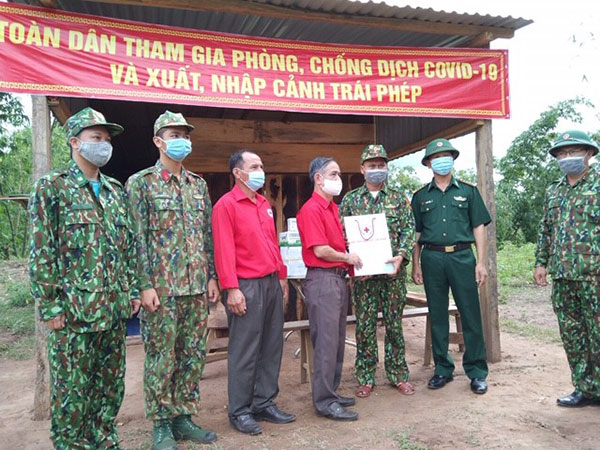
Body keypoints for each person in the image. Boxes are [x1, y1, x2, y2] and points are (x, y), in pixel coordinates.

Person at [29, 107, 140, 449]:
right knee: (72, 396)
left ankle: (106, 441)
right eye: (96, 138)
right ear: (75, 142)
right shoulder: (52, 187)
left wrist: (132, 289)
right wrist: (50, 307)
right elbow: (41, 250)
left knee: (109, 389)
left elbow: (128, 247)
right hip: (73, 316)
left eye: (107, 139)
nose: (104, 145)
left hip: (111, 312)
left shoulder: (114, 190)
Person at [126, 111, 219, 450]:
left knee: (192, 355)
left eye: (185, 133)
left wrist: (211, 276)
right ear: (158, 140)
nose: (182, 139)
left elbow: (205, 235)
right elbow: (136, 240)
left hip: (195, 288)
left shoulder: (198, 185)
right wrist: (144, 284)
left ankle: (183, 417)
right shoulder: (140, 183)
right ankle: (161, 424)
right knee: (161, 357)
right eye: (174, 133)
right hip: (161, 291)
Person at [212, 150, 295, 436]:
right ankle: (240, 410)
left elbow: (273, 243)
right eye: (254, 166)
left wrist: (282, 277)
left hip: (271, 282)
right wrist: (231, 288)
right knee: (245, 350)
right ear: (237, 172)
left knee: (272, 345)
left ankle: (264, 402)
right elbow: (223, 250)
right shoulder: (226, 205)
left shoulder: (263, 203)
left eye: (262, 165)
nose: (261, 170)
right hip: (245, 285)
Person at [411, 138, 490, 395]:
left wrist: (481, 262)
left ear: (453, 160)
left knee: (470, 314)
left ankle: (477, 372)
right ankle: (442, 369)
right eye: (436, 157)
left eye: (446, 156)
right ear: (428, 163)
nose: (441, 161)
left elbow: (479, 227)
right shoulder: (421, 196)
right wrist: (416, 264)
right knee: (437, 315)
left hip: (462, 257)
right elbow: (417, 234)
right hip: (432, 259)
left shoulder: (468, 192)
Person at [339, 145, 416, 398]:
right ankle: (366, 377)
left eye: (381, 165)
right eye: (372, 166)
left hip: (393, 274)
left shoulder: (398, 198)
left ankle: (398, 375)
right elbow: (341, 235)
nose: (377, 170)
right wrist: (353, 260)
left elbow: (409, 229)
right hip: (363, 277)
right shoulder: (350, 200)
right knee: (365, 327)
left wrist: (402, 255)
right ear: (362, 169)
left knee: (394, 326)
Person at [533, 130, 600, 407]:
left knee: (597, 333)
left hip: (594, 275)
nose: (567, 157)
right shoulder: (553, 190)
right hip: (563, 275)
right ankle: (585, 389)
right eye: (562, 153)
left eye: (573, 152)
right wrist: (541, 262)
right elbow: (546, 229)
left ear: (589, 154)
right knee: (573, 334)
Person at [297, 157, 362, 421]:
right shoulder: (312, 209)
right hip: (323, 279)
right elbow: (321, 250)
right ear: (318, 178)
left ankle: (331, 392)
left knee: (335, 341)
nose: (339, 179)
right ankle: (324, 401)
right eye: (334, 174)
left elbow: (338, 243)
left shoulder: (331, 208)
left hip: (336, 279)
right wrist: (349, 258)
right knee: (325, 342)